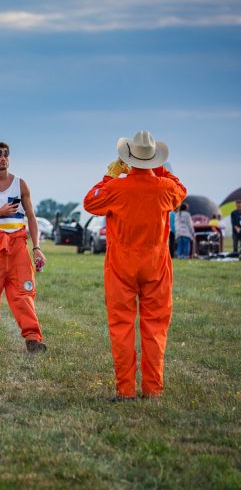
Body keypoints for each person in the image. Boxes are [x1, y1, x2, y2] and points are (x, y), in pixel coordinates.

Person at [84, 131, 186, 400]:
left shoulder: (116, 188)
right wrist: (159, 167)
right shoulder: (166, 188)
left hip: (121, 265)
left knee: (122, 326)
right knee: (155, 328)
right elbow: (180, 189)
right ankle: (153, 389)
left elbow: (90, 201)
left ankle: (125, 389)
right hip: (156, 265)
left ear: (126, 160)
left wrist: (110, 175)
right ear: (154, 159)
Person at [0, 142, 47, 353]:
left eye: (6, 155)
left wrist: (37, 247)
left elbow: (31, 217)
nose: (3, 158)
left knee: (24, 293)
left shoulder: (20, 184)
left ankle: (33, 338)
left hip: (17, 246)